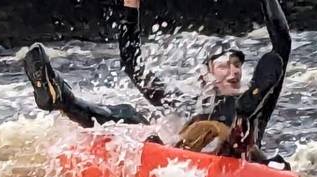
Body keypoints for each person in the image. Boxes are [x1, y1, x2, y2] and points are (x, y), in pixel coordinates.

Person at [22, 0, 291, 163]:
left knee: (246, 106)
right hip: (188, 162)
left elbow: (283, 43)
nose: (233, 72)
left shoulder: (257, 106)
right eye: (224, 66)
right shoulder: (187, 104)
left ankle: (236, 133)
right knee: (128, 116)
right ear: (206, 75)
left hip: (238, 153)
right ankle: (62, 98)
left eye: (237, 66)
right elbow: (133, 66)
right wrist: (131, 8)